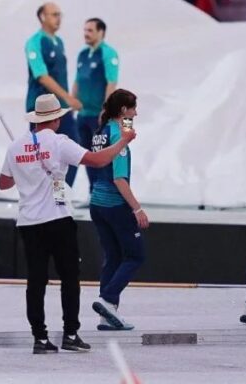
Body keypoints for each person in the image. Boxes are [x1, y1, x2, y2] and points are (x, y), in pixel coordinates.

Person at [0, 94, 135, 354]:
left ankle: (39, 338)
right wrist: (123, 141)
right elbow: (97, 161)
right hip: (58, 218)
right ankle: (70, 333)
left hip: (28, 221)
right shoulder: (60, 143)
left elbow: (3, 183)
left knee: (36, 282)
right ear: (57, 119)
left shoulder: (15, 146)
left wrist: (26, 171)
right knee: (70, 279)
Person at [88, 89, 146, 330]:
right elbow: (119, 178)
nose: (136, 112)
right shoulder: (117, 136)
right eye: (133, 108)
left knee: (112, 256)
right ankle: (108, 301)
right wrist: (137, 209)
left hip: (96, 203)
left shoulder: (100, 132)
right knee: (135, 255)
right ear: (123, 111)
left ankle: (107, 317)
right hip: (115, 204)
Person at [25, 3, 81, 186]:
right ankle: (43, 195)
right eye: (54, 14)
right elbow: (41, 76)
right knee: (43, 154)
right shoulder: (35, 42)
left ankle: (62, 193)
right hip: (42, 108)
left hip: (61, 108)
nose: (58, 18)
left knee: (72, 148)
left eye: (59, 14)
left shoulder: (59, 42)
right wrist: (67, 97)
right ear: (42, 17)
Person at [72, 18, 119, 189]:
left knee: (101, 154)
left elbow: (111, 82)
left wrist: (106, 109)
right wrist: (71, 104)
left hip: (97, 115)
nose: (86, 33)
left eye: (90, 30)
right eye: (85, 30)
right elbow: (77, 81)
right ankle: (94, 192)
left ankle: (105, 192)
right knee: (87, 155)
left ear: (101, 32)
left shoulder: (108, 54)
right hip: (83, 114)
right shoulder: (83, 54)